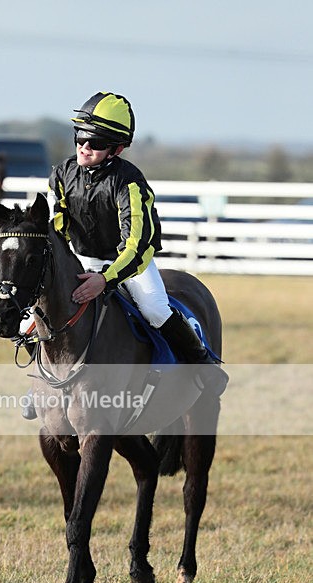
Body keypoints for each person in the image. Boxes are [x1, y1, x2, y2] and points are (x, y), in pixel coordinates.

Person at [49, 92, 227, 389]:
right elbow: (58, 226)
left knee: (155, 308)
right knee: (33, 314)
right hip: (82, 260)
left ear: (116, 149)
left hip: (130, 264)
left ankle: (202, 365)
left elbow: (137, 244)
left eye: (96, 142)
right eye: (80, 137)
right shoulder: (61, 173)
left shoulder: (129, 182)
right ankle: (41, 385)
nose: (85, 147)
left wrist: (104, 280)